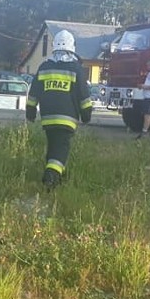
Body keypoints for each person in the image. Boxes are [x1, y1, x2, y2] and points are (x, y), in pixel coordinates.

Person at [26, 30, 92, 189]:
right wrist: (86, 115)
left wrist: (31, 112)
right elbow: (84, 95)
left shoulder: (44, 66)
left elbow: (33, 93)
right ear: (72, 47)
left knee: (53, 145)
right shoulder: (75, 68)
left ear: (54, 46)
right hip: (67, 118)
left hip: (48, 118)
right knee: (61, 148)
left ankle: (58, 176)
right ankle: (51, 177)